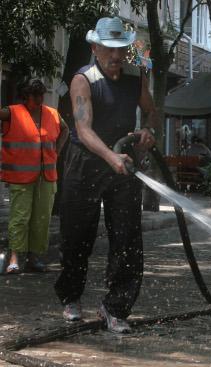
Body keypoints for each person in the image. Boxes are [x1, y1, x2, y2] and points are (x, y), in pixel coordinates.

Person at [54, 17, 157, 334]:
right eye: (108, 48)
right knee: (76, 235)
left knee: (128, 238)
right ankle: (71, 297)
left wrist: (147, 131)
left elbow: (150, 110)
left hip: (122, 160)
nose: (115, 56)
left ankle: (115, 307)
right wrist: (110, 155)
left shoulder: (134, 77)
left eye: (120, 48)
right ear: (95, 47)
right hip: (86, 162)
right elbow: (83, 130)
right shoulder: (83, 80)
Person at [0, 79, 69, 274]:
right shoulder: (12, 112)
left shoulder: (52, 114)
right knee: (20, 217)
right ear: (25, 96)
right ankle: (14, 259)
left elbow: (65, 130)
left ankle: (33, 258)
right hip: (21, 176)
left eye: (41, 95)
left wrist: (57, 151)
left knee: (41, 218)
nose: (39, 99)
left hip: (46, 176)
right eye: (35, 95)